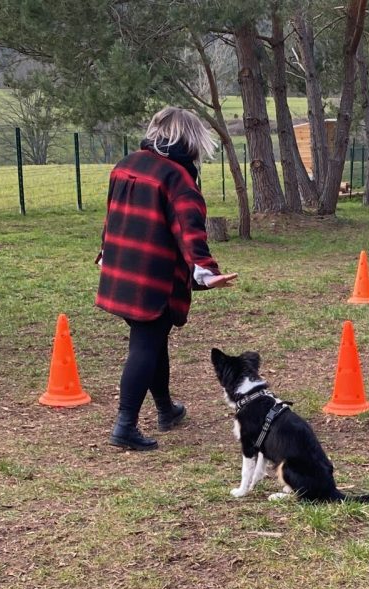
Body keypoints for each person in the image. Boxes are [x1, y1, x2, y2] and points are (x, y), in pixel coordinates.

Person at [96, 107, 237, 451]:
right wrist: (206, 271)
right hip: (151, 278)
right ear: (189, 140)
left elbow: (113, 216)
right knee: (144, 346)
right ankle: (125, 426)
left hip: (120, 270)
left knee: (154, 340)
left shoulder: (125, 165)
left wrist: (104, 253)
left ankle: (166, 409)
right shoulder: (177, 178)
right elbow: (191, 232)